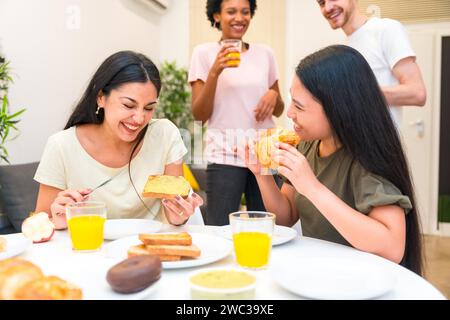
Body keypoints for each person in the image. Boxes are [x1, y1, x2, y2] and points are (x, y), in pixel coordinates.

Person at [239, 45, 423, 275]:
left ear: (337, 109)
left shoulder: (366, 158)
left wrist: (312, 188)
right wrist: (262, 174)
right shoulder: (307, 144)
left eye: (299, 106)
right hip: (319, 272)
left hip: (359, 280)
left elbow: (392, 247)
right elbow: (286, 217)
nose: (289, 114)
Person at [34, 51, 203, 230]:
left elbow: (173, 215)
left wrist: (179, 215)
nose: (139, 118)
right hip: (91, 251)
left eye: (149, 108)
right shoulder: (61, 146)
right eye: (128, 105)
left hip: (150, 250)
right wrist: (57, 220)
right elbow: (39, 224)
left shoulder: (165, 134)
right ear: (101, 98)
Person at [188, 0, 284, 225]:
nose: (239, 18)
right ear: (217, 16)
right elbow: (199, 115)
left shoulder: (265, 54)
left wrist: (273, 96)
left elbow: (279, 108)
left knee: (268, 227)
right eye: (231, 11)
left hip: (263, 153)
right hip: (225, 154)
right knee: (219, 228)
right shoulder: (203, 53)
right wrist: (214, 72)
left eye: (245, 12)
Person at [317, 0, 426, 127]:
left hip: (383, 145)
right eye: (321, 3)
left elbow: (417, 93)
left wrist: (353, 94)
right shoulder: (345, 47)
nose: (328, 7)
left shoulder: (386, 29)